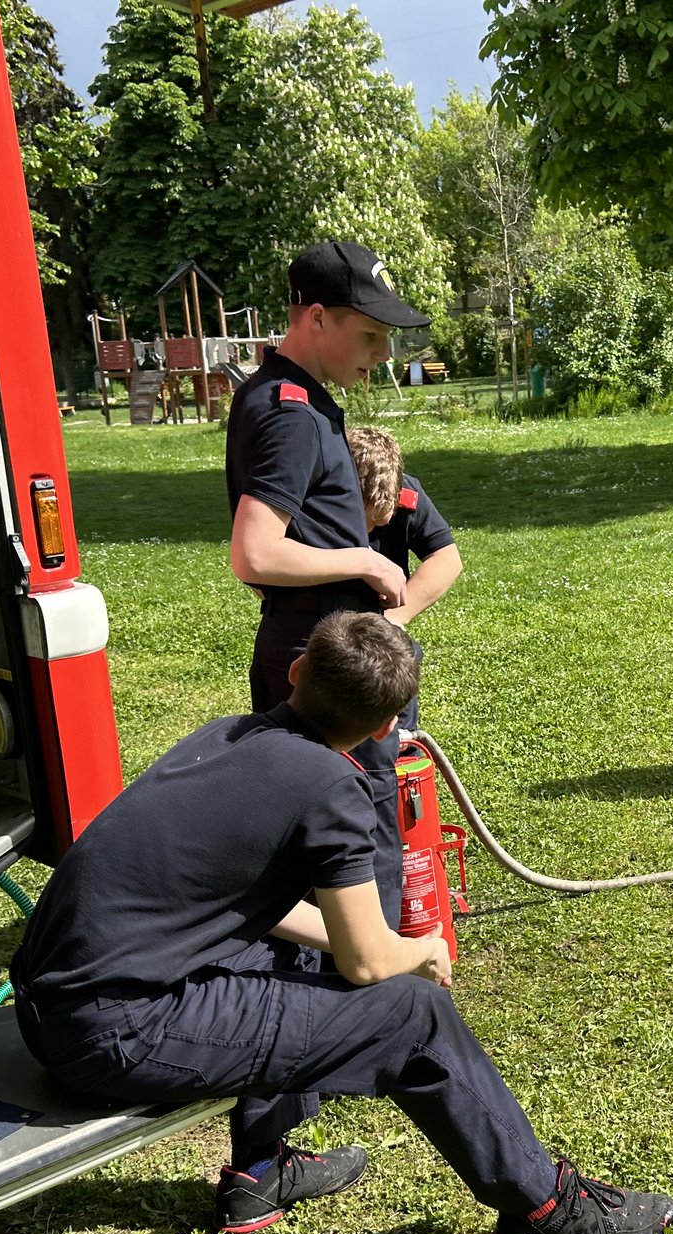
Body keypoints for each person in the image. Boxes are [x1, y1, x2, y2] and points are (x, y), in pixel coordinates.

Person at [10, 612, 673, 1234]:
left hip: (53, 1006)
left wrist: (358, 944)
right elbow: (368, 963)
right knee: (413, 1015)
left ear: (297, 670)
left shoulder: (228, 736)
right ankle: (543, 1207)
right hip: (114, 1032)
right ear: (387, 725)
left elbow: (254, 909)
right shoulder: (334, 788)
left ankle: (261, 1170)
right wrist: (421, 949)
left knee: (301, 948)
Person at [223, 239, 427, 1156]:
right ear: (315, 317)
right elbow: (254, 555)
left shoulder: (290, 399)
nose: (378, 355)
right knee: (353, 838)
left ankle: (332, 1030)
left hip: (317, 646)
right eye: (368, 334)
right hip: (321, 655)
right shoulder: (293, 415)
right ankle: (354, 1028)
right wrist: (365, 560)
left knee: (321, 839)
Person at [347, 424, 463, 730]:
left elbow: (446, 559)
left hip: (379, 626)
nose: (372, 531)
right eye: (366, 517)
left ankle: (399, 755)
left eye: (383, 519)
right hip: (324, 625)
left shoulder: (406, 493)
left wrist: (396, 618)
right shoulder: (315, 498)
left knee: (401, 661)